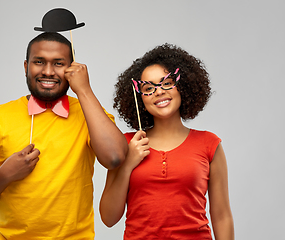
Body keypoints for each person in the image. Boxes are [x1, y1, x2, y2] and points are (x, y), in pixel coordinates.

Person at [0, 32, 128, 239]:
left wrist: (83, 89)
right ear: (26, 67)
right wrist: (4, 175)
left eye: (58, 63)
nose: (48, 71)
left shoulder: (90, 115)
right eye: (39, 62)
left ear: (72, 69)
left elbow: (115, 157)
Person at [100, 43, 234, 239]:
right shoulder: (126, 144)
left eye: (167, 83)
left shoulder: (209, 144)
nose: (159, 91)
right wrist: (128, 163)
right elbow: (109, 218)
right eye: (148, 88)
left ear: (183, 86)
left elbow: (222, 216)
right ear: (140, 99)